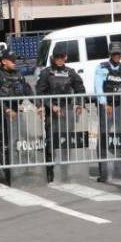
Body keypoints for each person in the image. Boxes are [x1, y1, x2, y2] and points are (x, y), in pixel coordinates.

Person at [35, 49, 85, 182]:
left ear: (66, 57)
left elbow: (80, 88)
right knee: (51, 141)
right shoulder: (46, 72)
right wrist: (50, 106)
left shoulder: (71, 72)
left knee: (66, 141)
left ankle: (65, 170)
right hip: (52, 111)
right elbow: (40, 92)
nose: (59, 59)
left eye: (62, 57)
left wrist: (79, 104)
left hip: (67, 110)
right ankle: (50, 171)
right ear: (53, 58)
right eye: (57, 57)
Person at [0, 52, 31, 182]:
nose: (15, 62)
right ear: (3, 61)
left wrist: (38, 105)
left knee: (15, 142)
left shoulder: (18, 75)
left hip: (14, 114)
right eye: (12, 60)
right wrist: (6, 109)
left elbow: (27, 90)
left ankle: (14, 171)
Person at [93, 42, 121, 184]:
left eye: (119, 53)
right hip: (107, 106)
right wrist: (104, 103)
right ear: (110, 54)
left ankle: (120, 169)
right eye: (114, 53)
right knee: (104, 136)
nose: (117, 56)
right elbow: (98, 87)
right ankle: (104, 171)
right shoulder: (102, 67)